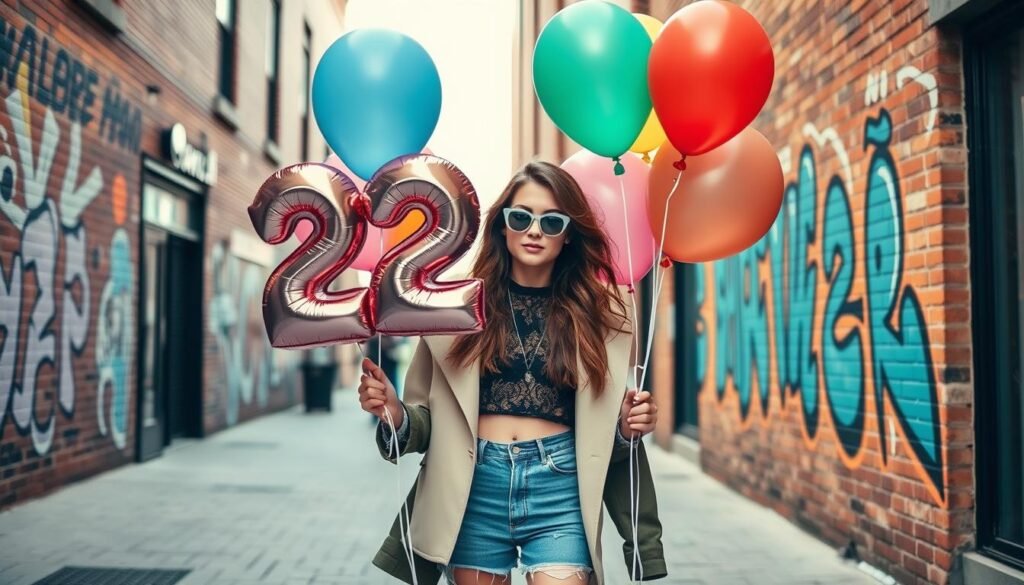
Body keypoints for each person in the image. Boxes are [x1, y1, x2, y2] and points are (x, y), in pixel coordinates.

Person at [358, 161, 666, 585]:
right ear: (502, 226)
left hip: (560, 488)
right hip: (472, 489)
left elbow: (600, 432)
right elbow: (428, 423)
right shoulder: (453, 309)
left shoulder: (603, 315)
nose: (534, 230)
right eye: (520, 217)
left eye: (551, 221)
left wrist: (626, 429)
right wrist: (395, 413)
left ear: (568, 233)